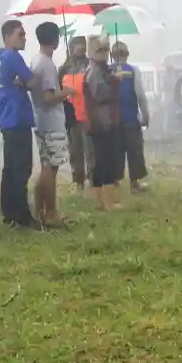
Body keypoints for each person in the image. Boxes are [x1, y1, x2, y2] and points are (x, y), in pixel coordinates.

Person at [0, 20, 39, 229]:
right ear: (8, 35)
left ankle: (9, 211)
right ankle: (22, 214)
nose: (24, 38)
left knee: (9, 168)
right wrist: (24, 82)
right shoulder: (13, 56)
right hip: (17, 116)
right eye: (20, 34)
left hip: (4, 116)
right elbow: (33, 81)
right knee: (22, 168)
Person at [30, 22, 72, 226]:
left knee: (46, 165)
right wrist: (67, 93)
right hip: (52, 121)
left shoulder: (37, 60)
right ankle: (52, 213)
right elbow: (49, 96)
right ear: (55, 40)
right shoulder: (46, 64)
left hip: (40, 120)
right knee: (51, 167)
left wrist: (62, 69)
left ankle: (39, 210)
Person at [83, 35, 124, 211]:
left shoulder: (101, 70)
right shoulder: (94, 72)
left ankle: (100, 201)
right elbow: (101, 94)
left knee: (101, 162)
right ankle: (107, 202)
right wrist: (116, 82)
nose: (105, 54)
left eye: (106, 50)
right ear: (92, 52)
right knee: (106, 162)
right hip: (101, 121)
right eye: (100, 50)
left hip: (102, 121)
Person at [110, 41, 150, 194]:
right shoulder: (133, 71)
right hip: (131, 118)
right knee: (134, 151)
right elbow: (140, 95)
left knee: (115, 151)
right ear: (127, 54)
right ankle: (134, 184)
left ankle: (114, 181)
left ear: (112, 56)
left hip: (114, 119)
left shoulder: (108, 71)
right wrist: (146, 115)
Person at [58, 36, 95, 190]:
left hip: (88, 114)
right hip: (71, 116)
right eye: (77, 45)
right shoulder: (63, 69)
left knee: (91, 150)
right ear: (71, 47)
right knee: (75, 149)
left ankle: (94, 180)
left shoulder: (90, 66)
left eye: (82, 44)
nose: (80, 47)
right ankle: (78, 180)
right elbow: (56, 90)